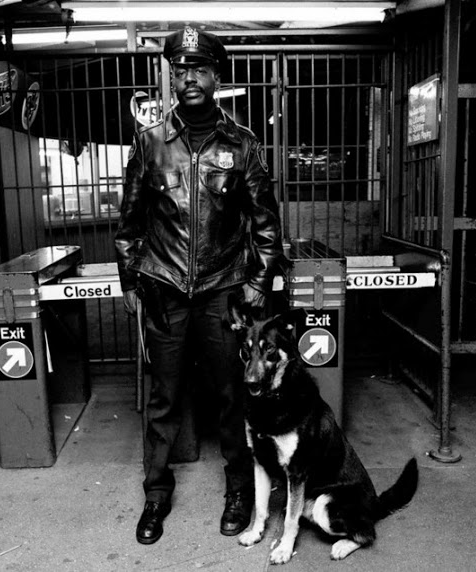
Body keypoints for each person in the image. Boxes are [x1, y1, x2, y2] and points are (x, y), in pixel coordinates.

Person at [115, 26, 284, 545]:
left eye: (199, 69)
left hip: (223, 292)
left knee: (231, 396)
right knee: (164, 398)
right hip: (165, 291)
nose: (189, 78)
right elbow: (129, 225)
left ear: (216, 76)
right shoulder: (150, 144)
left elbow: (267, 224)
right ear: (172, 76)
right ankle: (157, 493)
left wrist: (257, 283)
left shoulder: (243, 145)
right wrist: (133, 280)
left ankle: (239, 491)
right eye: (180, 69)